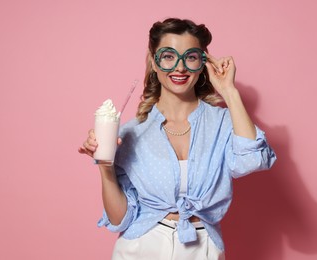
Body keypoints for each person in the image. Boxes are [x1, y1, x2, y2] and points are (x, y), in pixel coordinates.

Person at [78, 18, 276, 260]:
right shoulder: (132, 132)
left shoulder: (224, 122)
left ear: (203, 62)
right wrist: (105, 167)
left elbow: (252, 161)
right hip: (142, 246)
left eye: (191, 57)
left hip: (202, 247)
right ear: (154, 61)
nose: (180, 68)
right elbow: (120, 219)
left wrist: (228, 91)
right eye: (168, 56)